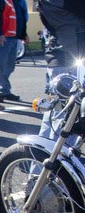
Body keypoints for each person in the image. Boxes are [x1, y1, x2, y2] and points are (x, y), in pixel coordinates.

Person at [37, 0, 85, 139]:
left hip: (63, 55)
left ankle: (44, 148)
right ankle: (53, 150)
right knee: (67, 114)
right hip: (67, 57)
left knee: (57, 109)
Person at [0, 0, 28, 102]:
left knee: (9, 66)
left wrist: (24, 34)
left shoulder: (19, 1)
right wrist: (0, 33)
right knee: (0, 66)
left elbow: (21, 17)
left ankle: (4, 91)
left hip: (14, 36)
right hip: (5, 36)